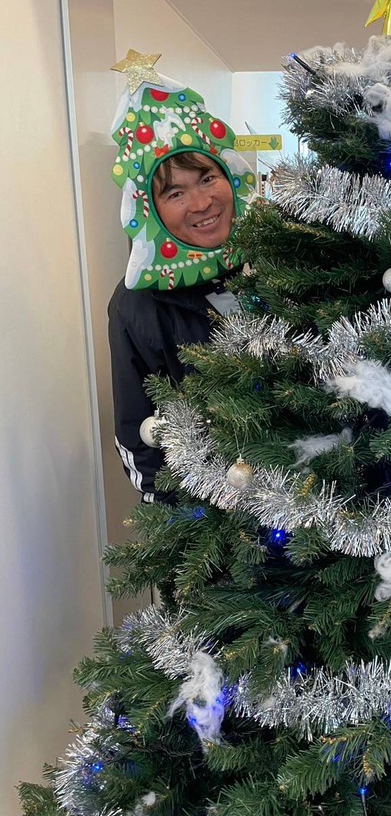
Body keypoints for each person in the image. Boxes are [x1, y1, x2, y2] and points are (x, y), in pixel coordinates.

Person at [108, 52, 256, 501]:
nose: (201, 203)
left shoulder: (277, 262)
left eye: (207, 178)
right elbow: (137, 430)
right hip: (217, 516)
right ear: (150, 208)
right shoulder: (137, 305)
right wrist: (189, 518)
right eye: (175, 192)